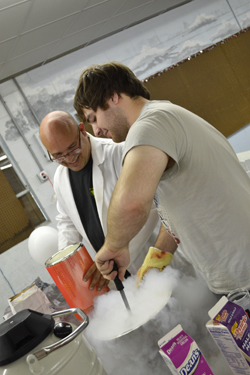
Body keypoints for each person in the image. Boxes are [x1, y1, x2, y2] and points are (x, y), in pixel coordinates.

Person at [74, 62, 250, 295]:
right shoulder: (165, 115)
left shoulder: (149, 126)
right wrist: (157, 259)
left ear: (112, 96)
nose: (95, 131)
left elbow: (131, 204)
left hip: (244, 272)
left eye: (94, 117)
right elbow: (180, 202)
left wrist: (114, 246)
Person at [39, 110, 161, 290]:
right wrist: (68, 265)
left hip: (153, 261)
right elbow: (67, 221)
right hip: (117, 277)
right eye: (58, 156)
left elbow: (153, 208)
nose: (70, 159)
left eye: (73, 148)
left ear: (82, 129)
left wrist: (112, 254)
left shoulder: (120, 153)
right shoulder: (60, 177)